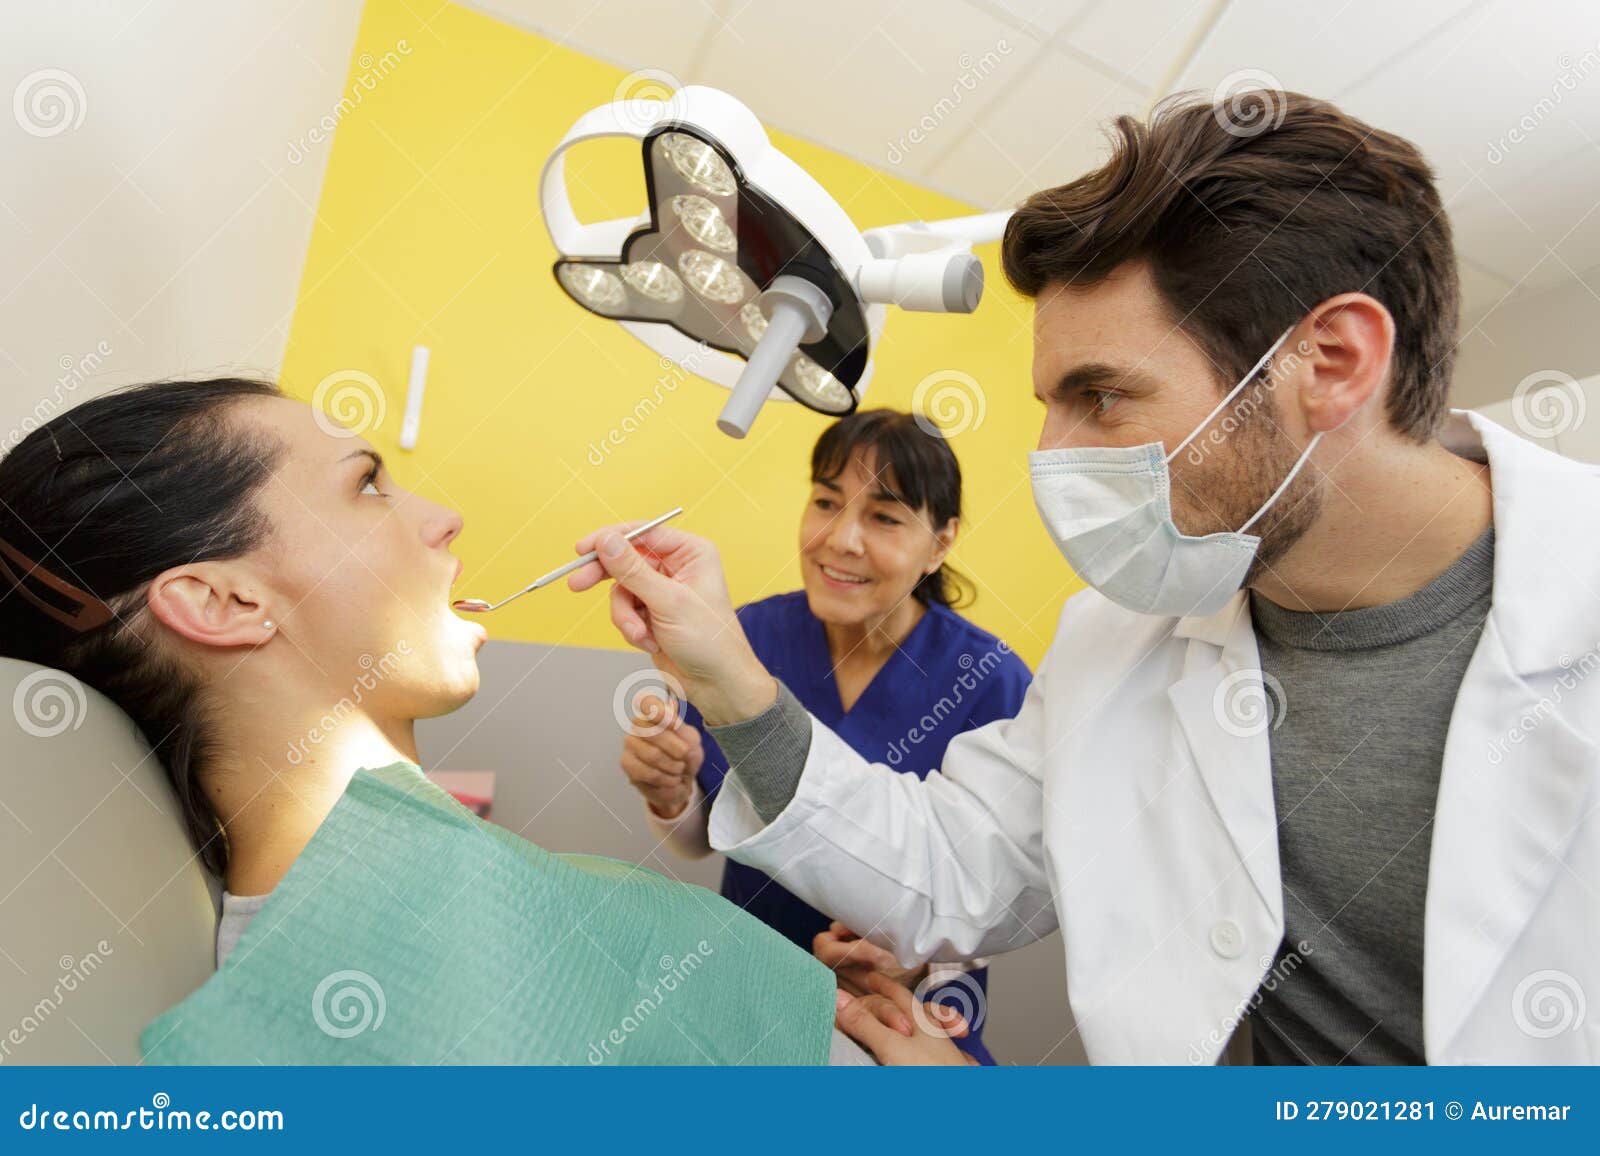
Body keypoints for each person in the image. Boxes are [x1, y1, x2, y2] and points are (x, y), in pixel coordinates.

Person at [570, 91, 1598, 1064]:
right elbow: (943, 868)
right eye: (1049, 404)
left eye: (1099, 395)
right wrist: (725, 677)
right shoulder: (1116, 640)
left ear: (1329, 361)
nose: (1052, 456)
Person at [0, 378, 969, 1065]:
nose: (444, 515)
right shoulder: (354, 1001)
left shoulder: (410, 890)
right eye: (367, 483)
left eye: (883, 516)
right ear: (219, 601)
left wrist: (829, 1020)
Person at [618, 408, 1031, 1065]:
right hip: (755, 995)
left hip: (910, 1023)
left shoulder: (989, 680)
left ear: (942, 541)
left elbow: (1014, 879)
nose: (841, 539)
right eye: (826, 502)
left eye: (885, 518)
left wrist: (918, 961)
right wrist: (670, 793)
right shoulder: (746, 642)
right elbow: (699, 841)